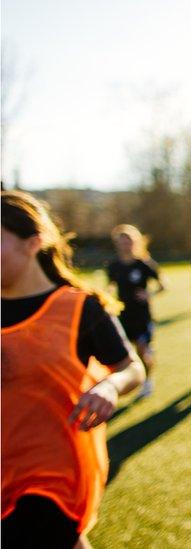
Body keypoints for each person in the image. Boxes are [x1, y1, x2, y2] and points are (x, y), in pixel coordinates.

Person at [1, 191, 146, 548]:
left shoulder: (81, 308)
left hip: (54, 474)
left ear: (32, 243)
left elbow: (132, 367)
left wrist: (110, 387)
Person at [106, 224, 165, 398]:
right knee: (124, 354)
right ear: (118, 244)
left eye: (129, 241)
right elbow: (110, 287)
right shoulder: (113, 266)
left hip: (142, 316)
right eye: (122, 242)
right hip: (122, 315)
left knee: (141, 349)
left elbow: (163, 285)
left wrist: (149, 293)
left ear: (135, 242)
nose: (126, 245)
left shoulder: (144, 264)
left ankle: (147, 381)